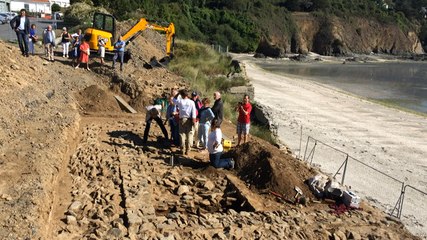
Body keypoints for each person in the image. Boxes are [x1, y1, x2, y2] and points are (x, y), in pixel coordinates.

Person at [173, 89, 197, 155]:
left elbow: (174, 100)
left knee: (182, 134)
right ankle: (188, 149)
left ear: (182, 95)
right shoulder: (191, 102)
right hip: (189, 119)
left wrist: (178, 94)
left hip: (181, 119)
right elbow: (194, 112)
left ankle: (182, 149)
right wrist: (194, 120)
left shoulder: (180, 101)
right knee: (189, 134)